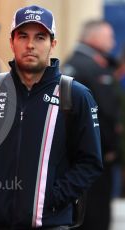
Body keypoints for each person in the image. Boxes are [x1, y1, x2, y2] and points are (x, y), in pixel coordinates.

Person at [0, 5, 103, 229]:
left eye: (40, 37)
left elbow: (90, 162)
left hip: (51, 223)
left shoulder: (75, 95)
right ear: (11, 42)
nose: (30, 45)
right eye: (23, 36)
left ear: (52, 44)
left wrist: (52, 198)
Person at [63, 19, 121, 230]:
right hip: (92, 159)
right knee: (93, 217)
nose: (113, 42)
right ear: (94, 37)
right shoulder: (86, 66)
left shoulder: (85, 63)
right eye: (109, 37)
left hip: (89, 157)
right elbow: (99, 114)